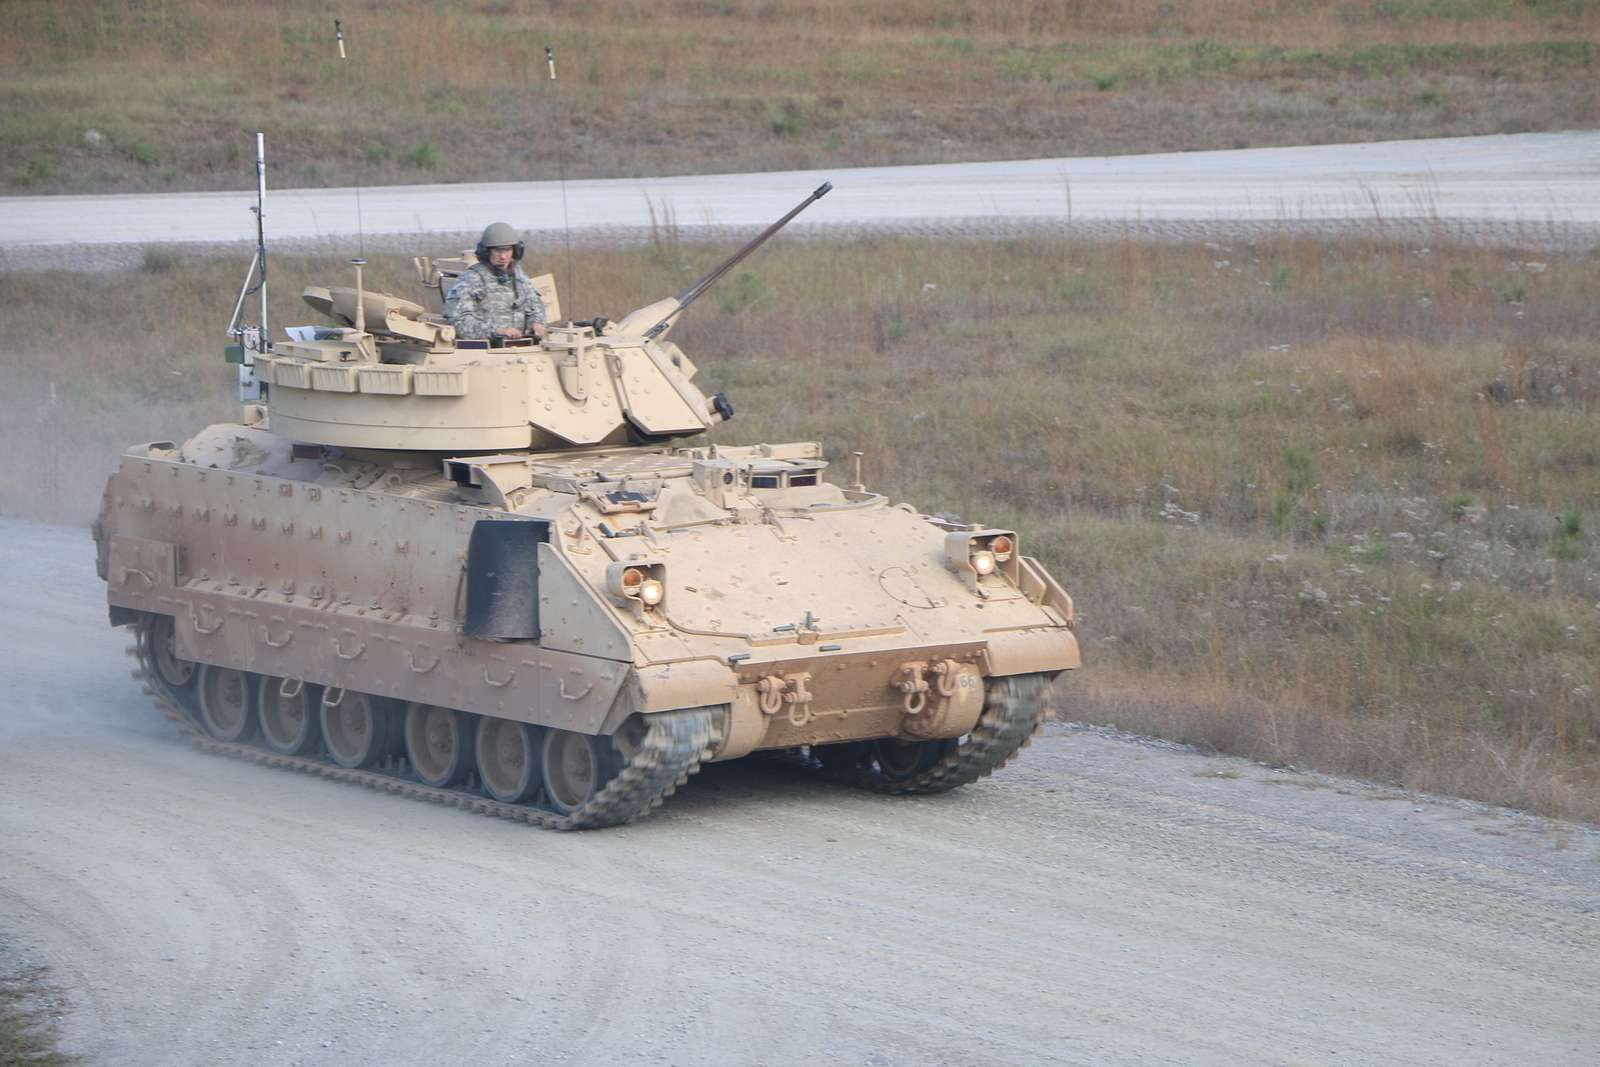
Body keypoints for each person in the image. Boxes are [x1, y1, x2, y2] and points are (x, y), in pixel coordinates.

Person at [444, 222, 548, 341]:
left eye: (507, 250)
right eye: (498, 251)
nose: (503, 256)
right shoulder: (471, 279)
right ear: (487, 252)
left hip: (523, 348)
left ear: (515, 251)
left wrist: (537, 323)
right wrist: (496, 331)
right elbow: (459, 323)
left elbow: (536, 308)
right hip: (487, 351)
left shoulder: (520, 277)